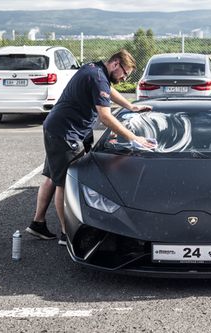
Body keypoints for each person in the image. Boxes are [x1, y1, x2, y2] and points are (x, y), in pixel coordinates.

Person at [26, 49, 155, 245]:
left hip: (57, 128)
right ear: (115, 64)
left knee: (52, 177)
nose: (124, 77)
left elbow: (108, 91)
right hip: (66, 134)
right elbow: (105, 116)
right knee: (65, 183)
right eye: (125, 73)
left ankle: (38, 223)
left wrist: (130, 106)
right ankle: (65, 234)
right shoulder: (98, 78)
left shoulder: (94, 69)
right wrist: (133, 138)